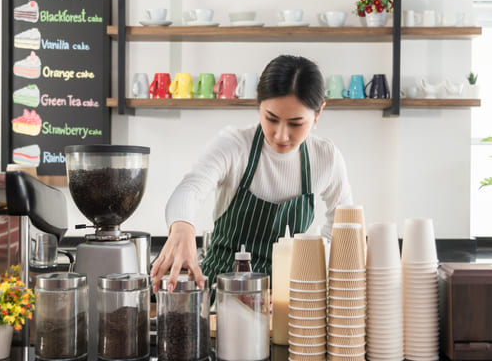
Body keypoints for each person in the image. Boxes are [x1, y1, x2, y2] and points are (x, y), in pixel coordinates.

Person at [150, 55, 354, 292]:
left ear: (318, 113)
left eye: (296, 123)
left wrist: (314, 271)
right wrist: (182, 227)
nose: (281, 135)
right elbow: (190, 188)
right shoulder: (235, 145)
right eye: (271, 119)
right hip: (223, 298)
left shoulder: (325, 157)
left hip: (287, 301)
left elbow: (345, 224)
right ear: (259, 105)